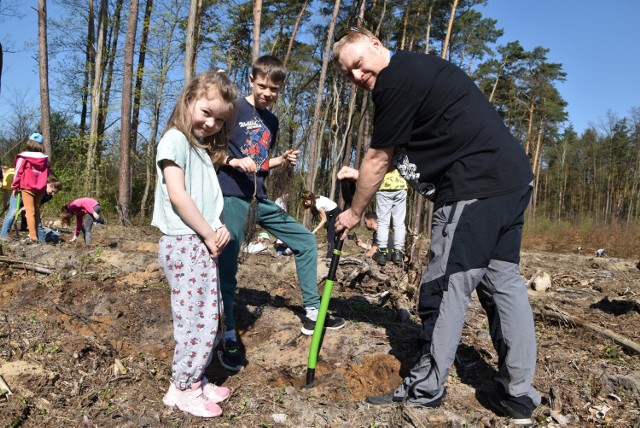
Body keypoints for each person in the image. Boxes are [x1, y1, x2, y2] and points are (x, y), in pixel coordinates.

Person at [332, 27, 540, 425]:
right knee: (502, 282)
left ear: (376, 42)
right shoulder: (414, 74)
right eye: (348, 75)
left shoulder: (394, 80)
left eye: (357, 64)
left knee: (445, 283)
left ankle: (424, 388)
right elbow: (406, 150)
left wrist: (355, 212)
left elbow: (379, 157)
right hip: (509, 180)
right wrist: (361, 174)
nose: (357, 77)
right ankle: (519, 396)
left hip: (475, 186)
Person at [216, 55, 345, 371]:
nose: (267, 93)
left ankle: (313, 313)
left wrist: (280, 160)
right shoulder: (232, 108)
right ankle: (227, 332)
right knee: (229, 261)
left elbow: (259, 162)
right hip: (231, 195)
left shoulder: (271, 121)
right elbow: (209, 151)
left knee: (304, 240)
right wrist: (233, 162)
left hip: (260, 198)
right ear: (251, 79)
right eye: (262, 86)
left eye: (273, 89)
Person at [151, 70, 236, 418]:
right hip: (185, 242)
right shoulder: (173, 140)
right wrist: (204, 231)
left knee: (207, 314)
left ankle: (191, 380)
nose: (211, 123)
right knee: (194, 319)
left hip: (198, 239)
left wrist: (217, 227)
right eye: (205, 112)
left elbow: (203, 199)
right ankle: (185, 386)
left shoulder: (198, 149)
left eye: (219, 119)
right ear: (188, 101)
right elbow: (178, 196)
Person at [338, 166, 406, 266]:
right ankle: (398, 254)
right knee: (399, 222)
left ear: (371, 221)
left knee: (383, 222)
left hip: (385, 186)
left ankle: (382, 255)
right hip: (401, 186)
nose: (365, 225)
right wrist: (363, 245)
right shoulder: (400, 156)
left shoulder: (378, 232)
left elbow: (376, 165)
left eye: (365, 222)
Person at [10, 132, 50, 243]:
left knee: (30, 211)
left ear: (29, 143)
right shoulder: (44, 159)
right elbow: (47, 173)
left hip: (27, 186)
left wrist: (15, 186)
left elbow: (18, 171)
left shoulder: (23, 157)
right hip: (40, 188)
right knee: (35, 211)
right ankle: (35, 235)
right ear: (41, 144)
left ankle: (33, 237)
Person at [1, 176, 62, 242]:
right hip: (19, 196)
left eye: (55, 193)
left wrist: (23, 209)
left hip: (30, 202)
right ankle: (3, 237)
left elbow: (37, 205)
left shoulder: (49, 196)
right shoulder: (39, 185)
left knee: (35, 218)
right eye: (52, 191)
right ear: (48, 184)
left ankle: (41, 240)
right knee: (12, 214)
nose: (53, 194)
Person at [300, 190, 341, 258]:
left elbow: (324, 220)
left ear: (311, 199)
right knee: (331, 236)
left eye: (307, 201)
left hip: (335, 213)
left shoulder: (318, 205)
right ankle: (335, 256)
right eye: (304, 201)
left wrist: (315, 230)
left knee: (330, 237)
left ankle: (330, 257)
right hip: (331, 213)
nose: (305, 203)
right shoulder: (315, 198)